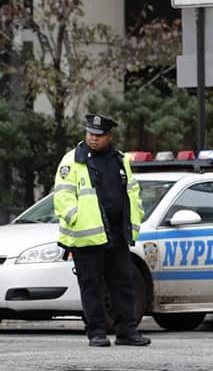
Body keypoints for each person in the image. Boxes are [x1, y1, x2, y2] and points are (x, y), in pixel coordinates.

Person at [53, 113, 150, 347]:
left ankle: (126, 331)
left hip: (117, 234)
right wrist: (74, 217)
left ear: (109, 136)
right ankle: (96, 332)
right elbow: (63, 195)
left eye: (98, 135)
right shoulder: (73, 160)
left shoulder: (119, 159)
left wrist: (137, 212)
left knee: (122, 284)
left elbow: (132, 191)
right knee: (91, 287)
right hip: (87, 237)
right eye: (90, 134)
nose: (93, 139)